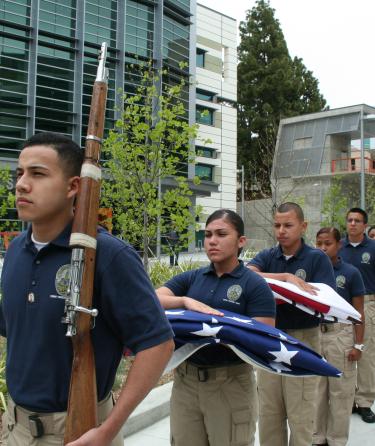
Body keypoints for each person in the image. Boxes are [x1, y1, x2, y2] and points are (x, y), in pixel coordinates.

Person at [0, 132, 174, 446]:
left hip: (80, 432)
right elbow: (14, 327)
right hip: (16, 429)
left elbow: (158, 345)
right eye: (19, 174)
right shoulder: (15, 251)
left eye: (38, 173)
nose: (22, 184)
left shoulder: (108, 255)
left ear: (73, 186)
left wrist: (108, 430)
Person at [156, 209, 276, 446]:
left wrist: (222, 330)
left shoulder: (254, 285)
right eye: (208, 234)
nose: (212, 240)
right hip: (186, 384)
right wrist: (183, 301)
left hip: (230, 384)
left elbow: (264, 338)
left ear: (241, 241)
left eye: (221, 234)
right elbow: (153, 297)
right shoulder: (193, 278)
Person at [248, 202, 336, 446]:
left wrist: (289, 295)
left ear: (303, 226)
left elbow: (325, 299)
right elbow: (247, 274)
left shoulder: (316, 259)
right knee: (269, 412)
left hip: (303, 340)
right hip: (269, 338)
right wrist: (285, 279)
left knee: (302, 414)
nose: (281, 231)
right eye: (277, 225)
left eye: (288, 225)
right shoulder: (268, 256)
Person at [313, 227, 365, 446]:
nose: (323, 248)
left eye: (328, 243)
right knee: (316, 392)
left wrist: (358, 345)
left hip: (340, 335)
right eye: (319, 244)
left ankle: (336, 440)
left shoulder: (351, 273)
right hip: (315, 334)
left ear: (339, 245)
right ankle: (317, 438)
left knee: (340, 393)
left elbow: (359, 313)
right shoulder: (312, 272)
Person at [339, 207, 375, 423]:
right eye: (350, 220)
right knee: (343, 352)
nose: (352, 224)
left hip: (368, 305)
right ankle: (349, 399)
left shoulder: (372, 248)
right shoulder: (338, 247)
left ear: (364, 225)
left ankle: (365, 401)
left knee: (366, 354)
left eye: (357, 221)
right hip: (341, 307)